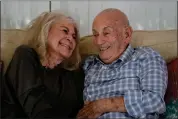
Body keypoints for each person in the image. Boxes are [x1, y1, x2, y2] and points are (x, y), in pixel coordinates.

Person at [77, 8, 168, 119]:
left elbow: (155, 101)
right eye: (95, 34)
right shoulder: (89, 65)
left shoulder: (145, 56)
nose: (98, 41)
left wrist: (103, 105)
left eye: (106, 33)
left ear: (127, 34)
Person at [1, 10, 84, 118]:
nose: (70, 39)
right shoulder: (25, 55)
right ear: (46, 30)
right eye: (65, 31)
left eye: (74, 36)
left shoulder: (73, 73)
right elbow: (32, 98)